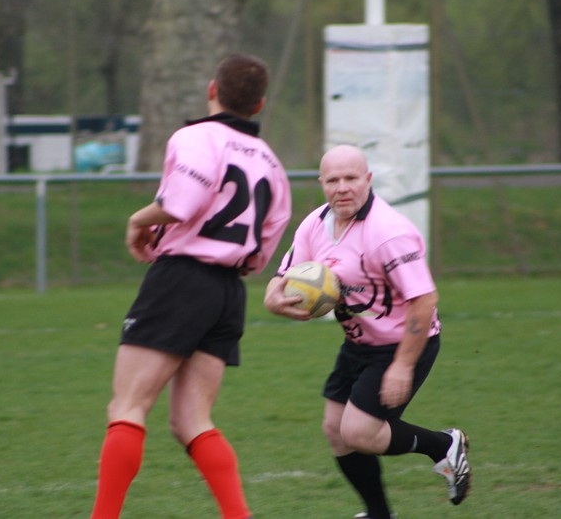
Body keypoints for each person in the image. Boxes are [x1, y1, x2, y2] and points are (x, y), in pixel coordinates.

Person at [90, 53, 292, 519]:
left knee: (128, 406)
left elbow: (185, 198)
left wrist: (139, 219)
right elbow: (263, 246)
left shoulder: (197, 136)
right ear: (259, 104)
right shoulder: (272, 163)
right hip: (228, 292)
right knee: (191, 421)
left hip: (182, 278)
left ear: (211, 90)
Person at [264, 144, 471, 519]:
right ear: (321, 183)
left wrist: (402, 366)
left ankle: (443, 446)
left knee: (359, 432)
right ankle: (379, 514)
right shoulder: (315, 224)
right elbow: (285, 275)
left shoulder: (388, 233)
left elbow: (424, 300)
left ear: (368, 180)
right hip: (358, 343)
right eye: (333, 180)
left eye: (351, 178)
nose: (342, 187)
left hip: (404, 343)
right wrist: (273, 298)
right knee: (335, 430)